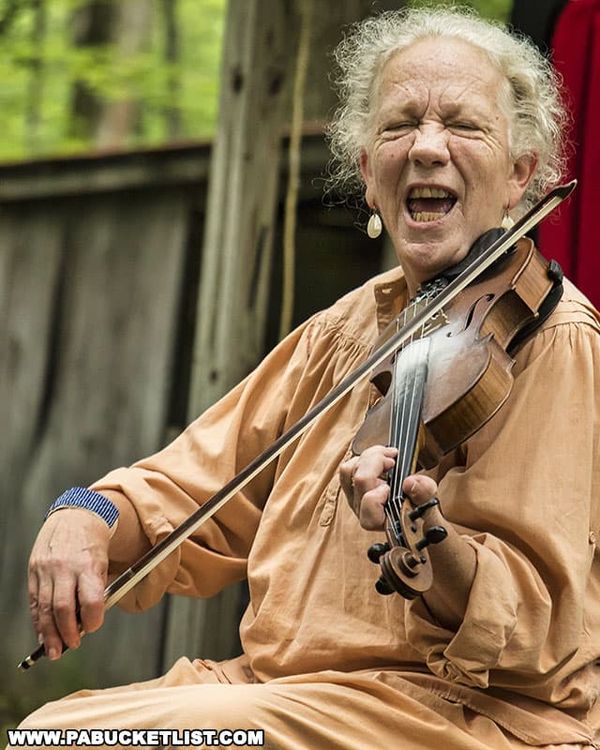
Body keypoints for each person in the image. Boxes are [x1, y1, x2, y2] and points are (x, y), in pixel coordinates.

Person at [13, 7, 600, 750]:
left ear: (520, 175)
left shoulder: (555, 340)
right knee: (52, 732)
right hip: (278, 693)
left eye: (462, 125)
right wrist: (84, 514)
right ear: (369, 174)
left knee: (169, 738)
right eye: (399, 126)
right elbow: (187, 488)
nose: (426, 147)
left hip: (448, 714)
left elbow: (540, 631)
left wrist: (431, 542)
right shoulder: (344, 331)